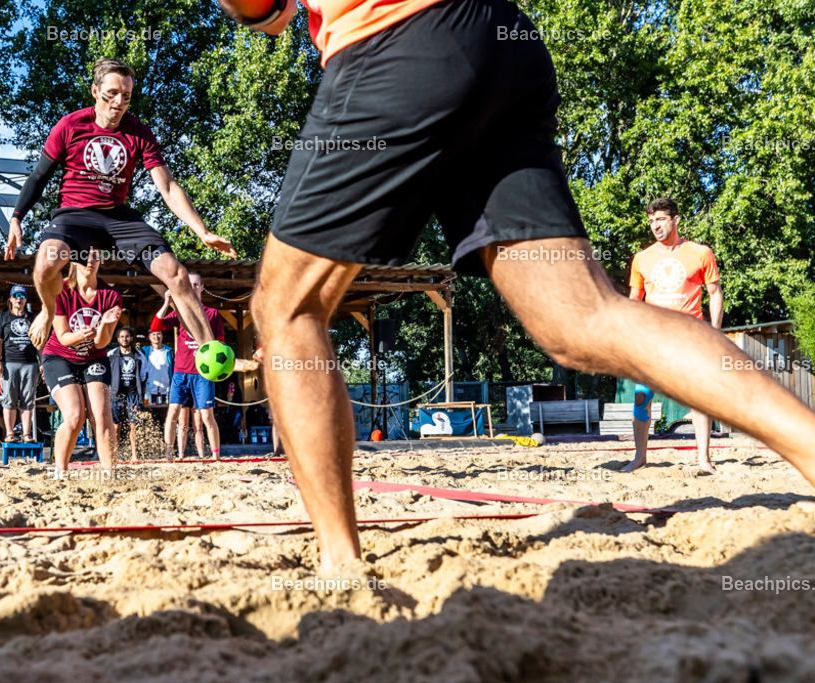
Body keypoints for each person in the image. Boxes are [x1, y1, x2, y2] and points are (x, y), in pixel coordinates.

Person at [221, 0, 815, 574]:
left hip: (393, 40)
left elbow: (255, 6)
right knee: (583, 318)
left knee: (289, 308)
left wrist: (258, 11)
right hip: (500, 40)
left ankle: (341, 561)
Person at [3, 57, 237, 354]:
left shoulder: (139, 132)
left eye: (126, 96)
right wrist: (16, 216)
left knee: (176, 274)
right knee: (46, 263)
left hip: (118, 218)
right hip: (75, 215)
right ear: (94, 91)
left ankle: (210, 352)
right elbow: (39, 176)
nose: (119, 102)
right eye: (111, 93)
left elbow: (167, 186)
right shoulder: (70, 125)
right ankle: (49, 312)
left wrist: (202, 232)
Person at [623, 198, 723, 474]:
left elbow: (714, 293)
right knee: (642, 396)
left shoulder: (700, 253)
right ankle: (640, 457)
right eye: (652, 221)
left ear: (675, 220)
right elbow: (634, 299)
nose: (655, 225)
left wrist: (715, 332)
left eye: (661, 219)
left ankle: (703, 459)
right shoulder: (642, 258)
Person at [40, 247, 122, 477]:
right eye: (84, 257)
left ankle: (109, 474)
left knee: (102, 416)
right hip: (60, 355)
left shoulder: (111, 296)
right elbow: (64, 337)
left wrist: (105, 324)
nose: (90, 261)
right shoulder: (61, 291)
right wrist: (83, 334)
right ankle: (61, 470)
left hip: (94, 357)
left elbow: (101, 344)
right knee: (76, 416)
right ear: (74, 261)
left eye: (95, 256)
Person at [150, 274, 224, 460]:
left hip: (203, 374)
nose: (193, 287)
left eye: (196, 284)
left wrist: (210, 356)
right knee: (173, 413)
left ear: (202, 287)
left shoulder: (213, 313)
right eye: (189, 285)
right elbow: (156, 326)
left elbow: (221, 344)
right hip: (181, 372)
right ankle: (170, 454)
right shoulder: (180, 312)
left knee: (206, 417)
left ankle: (216, 456)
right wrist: (167, 301)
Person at [0, 285, 39, 443]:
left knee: (28, 399)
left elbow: (40, 342)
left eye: (21, 296)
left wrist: (42, 362)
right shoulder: (3, 317)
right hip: (9, 363)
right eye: (15, 296)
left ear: (25, 299)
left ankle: (26, 434)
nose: (18, 299)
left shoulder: (33, 318)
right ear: (11, 299)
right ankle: (10, 433)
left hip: (30, 363)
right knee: (9, 399)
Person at [108, 325, 143, 459]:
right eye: (122, 337)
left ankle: (134, 455)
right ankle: (115, 454)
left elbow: (144, 373)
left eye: (127, 336)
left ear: (131, 338)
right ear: (117, 339)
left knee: (133, 425)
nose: (124, 339)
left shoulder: (139, 355)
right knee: (116, 425)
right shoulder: (111, 354)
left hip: (133, 393)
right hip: (117, 394)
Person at [140, 329, 174, 405]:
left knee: (165, 413)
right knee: (147, 412)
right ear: (149, 337)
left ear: (162, 336)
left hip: (167, 392)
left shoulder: (169, 351)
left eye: (159, 334)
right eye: (153, 334)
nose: (156, 337)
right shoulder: (144, 351)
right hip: (148, 392)